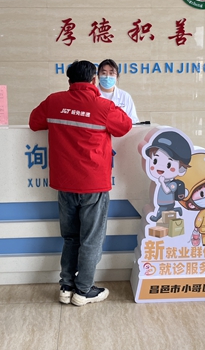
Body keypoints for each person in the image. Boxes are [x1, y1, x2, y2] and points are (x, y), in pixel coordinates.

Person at [29, 60, 132, 306]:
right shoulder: (103, 106)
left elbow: (34, 122)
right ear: (94, 80)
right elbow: (125, 126)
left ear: (69, 80)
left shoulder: (54, 101)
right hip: (93, 185)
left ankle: (66, 287)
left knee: (71, 237)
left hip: (64, 184)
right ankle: (83, 291)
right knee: (91, 240)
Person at [97, 59, 139, 123]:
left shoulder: (125, 96)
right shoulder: (92, 95)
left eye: (111, 73)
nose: (107, 76)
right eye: (104, 73)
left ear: (117, 77)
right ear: (98, 76)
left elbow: (133, 121)